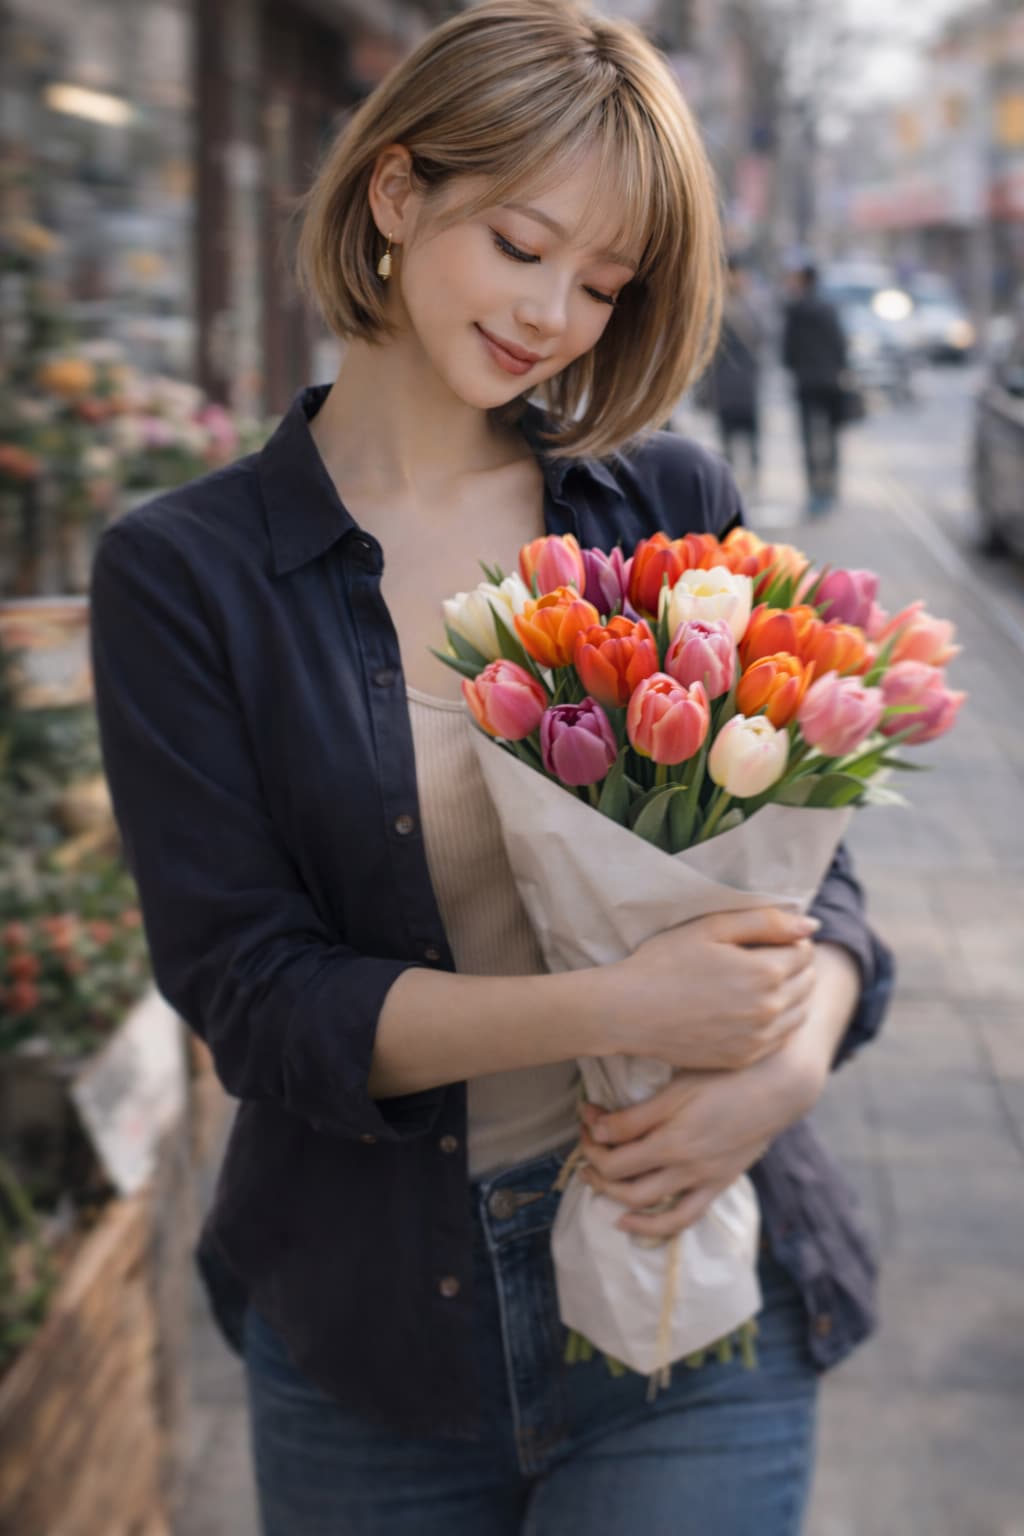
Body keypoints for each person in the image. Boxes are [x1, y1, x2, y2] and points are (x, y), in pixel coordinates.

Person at [89, 5, 893, 1532]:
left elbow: (823, 874)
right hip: (374, 1331)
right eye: (522, 245)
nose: (556, 316)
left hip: (692, 1279)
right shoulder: (183, 574)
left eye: (603, 282)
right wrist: (615, 1009)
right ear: (397, 195)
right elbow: (254, 998)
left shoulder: (658, 505)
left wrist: (778, 1077)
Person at [782, 264, 849, 517]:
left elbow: (787, 352)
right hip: (831, 382)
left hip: (806, 384)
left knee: (810, 439)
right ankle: (831, 488)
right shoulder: (830, 309)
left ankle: (814, 492)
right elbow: (841, 346)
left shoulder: (795, 310)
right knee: (831, 438)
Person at [705, 253, 764, 496]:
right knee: (727, 437)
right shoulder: (716, 307)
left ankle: (753, 482)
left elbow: (763, 336)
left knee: (751, 436)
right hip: (725, 383)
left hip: (748, 383)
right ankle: (731, 485)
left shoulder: (754, 303)